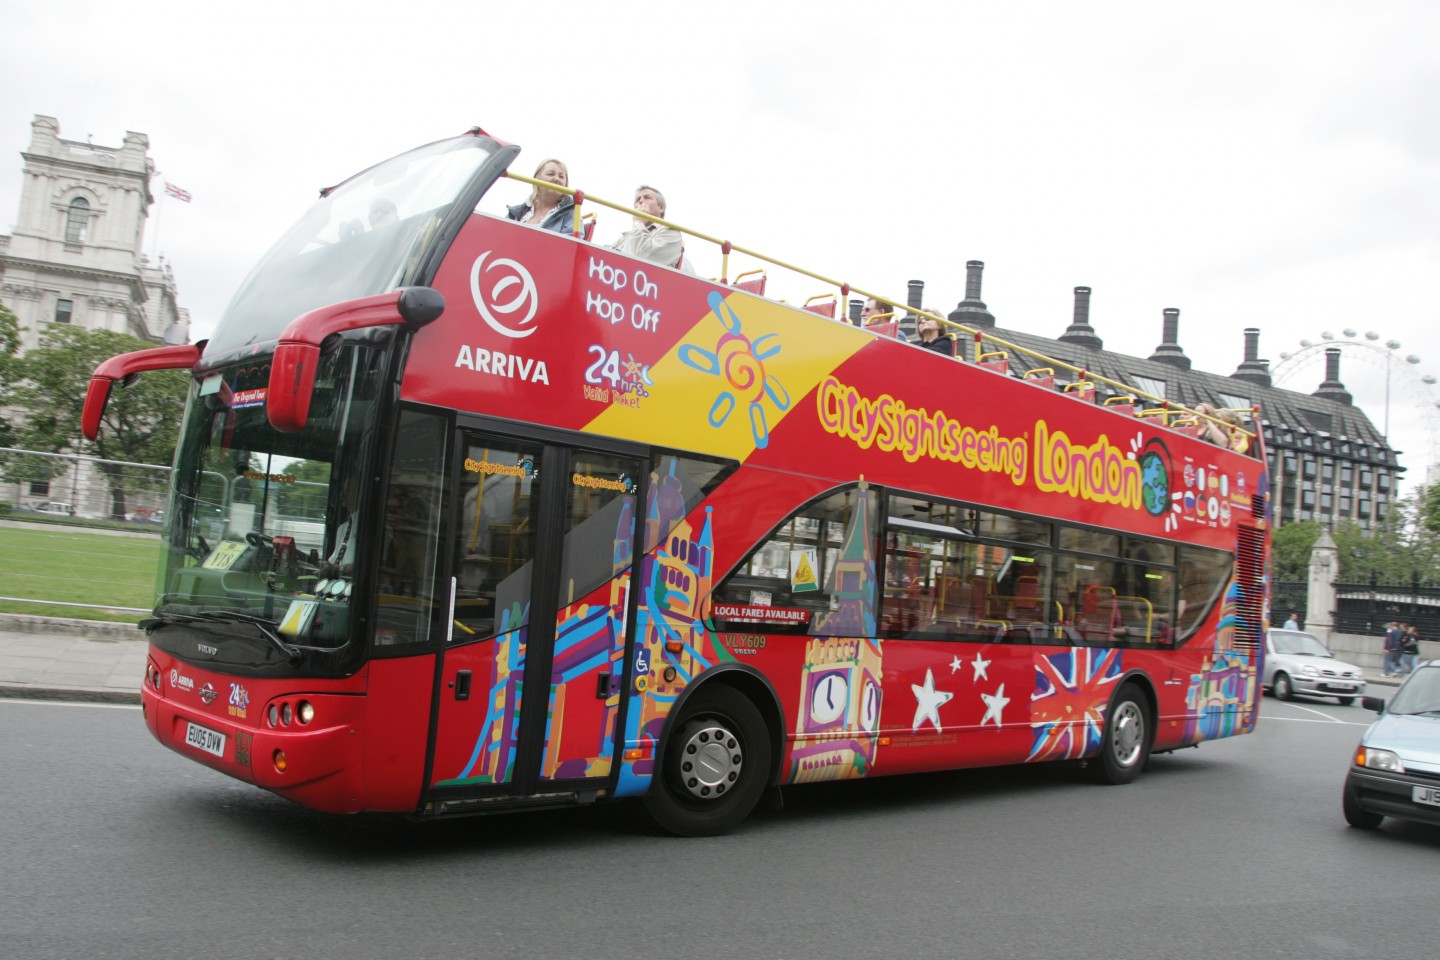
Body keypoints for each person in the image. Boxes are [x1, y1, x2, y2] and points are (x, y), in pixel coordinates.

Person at [611, 184, 690, 269]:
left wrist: (638, 221)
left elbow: (645, 258)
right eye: (638, 199)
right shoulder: (624, 238)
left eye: (647, 197)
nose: (641, 201)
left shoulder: (671, 233)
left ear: (661, 207)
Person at [507, 158, 575, 234]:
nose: (556, 179)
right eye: (550, 174)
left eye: (561, 176)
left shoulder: (572, 214)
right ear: (537, 178)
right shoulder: (517, 213)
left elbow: (572, 244)